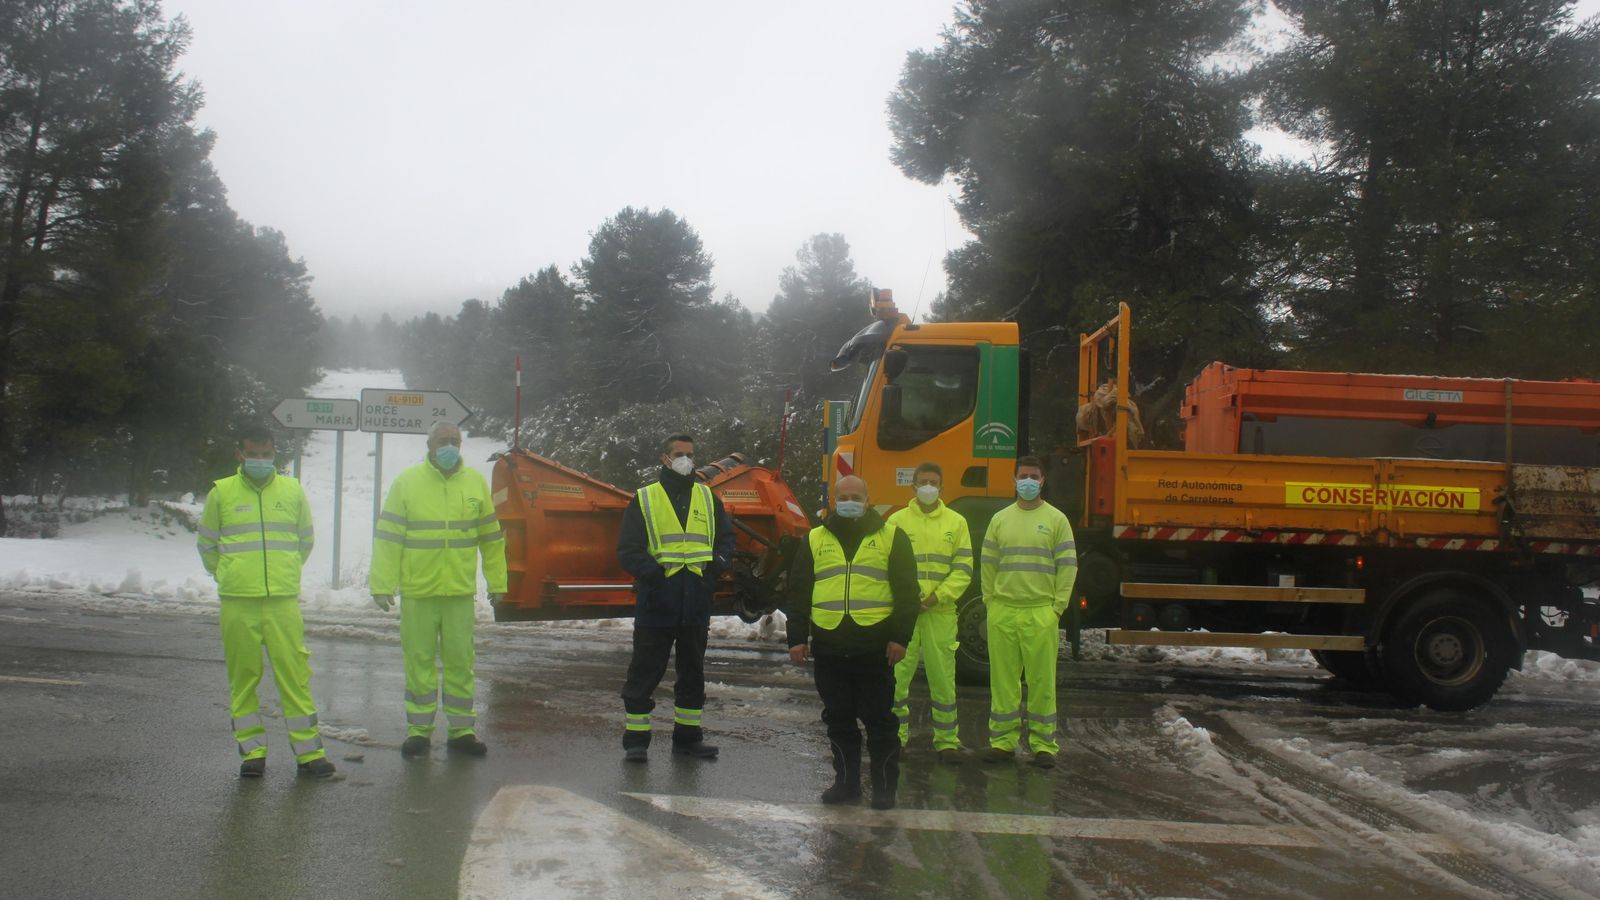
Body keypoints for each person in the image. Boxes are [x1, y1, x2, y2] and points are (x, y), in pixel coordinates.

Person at [197, 424, 334, 778]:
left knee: (295, 676)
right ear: (239, 455)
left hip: (282, 601)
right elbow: (207, 545)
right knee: (243, 678)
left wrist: (285, 570)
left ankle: (309, 754)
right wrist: (227, 573)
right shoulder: (221, 493)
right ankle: (252, 753)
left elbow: (305, 541)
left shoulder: (292, 491)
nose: (260, 460)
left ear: (274, 454)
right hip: (238, 601)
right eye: (253, 454)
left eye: (266, 454)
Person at [370, 421, 506, 759]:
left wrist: (497, 582)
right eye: (443, 440)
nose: (450, 446)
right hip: (419, 591)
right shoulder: (407, 483)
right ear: (429, 445)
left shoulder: (474, 482)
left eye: (455, 441)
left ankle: (461, 731)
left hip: (458, 592)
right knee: (419, 662)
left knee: (461, 662)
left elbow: (491, 540)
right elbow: (388, 538)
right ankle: (419, 732)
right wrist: (382, 584)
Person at [786, 474, 919, 809]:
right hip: (829, 647)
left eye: (856, 497)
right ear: (834, 500)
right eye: (843, 497)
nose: (849, 502)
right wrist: (797, 638)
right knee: (838, 720)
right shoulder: (814, 538)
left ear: (868, 500)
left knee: (880, 721)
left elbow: (907, 592)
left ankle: (884, 788)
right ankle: (846, 784)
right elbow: (799, 591)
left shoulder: (892, 537)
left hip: (874, 648)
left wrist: (900, 637)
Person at [616, 433, 735, 763]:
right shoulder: (645, 499)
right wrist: (654, 576)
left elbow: (726, 540)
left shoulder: (708, 498)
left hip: (695, 603)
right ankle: (636, 742)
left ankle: (688, 739)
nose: (686, 460)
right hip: (657, 603)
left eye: (690, 454)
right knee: (644, 674)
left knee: (692, 674)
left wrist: (716, 567)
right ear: (665, 458)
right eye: (679, 454)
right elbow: (628, 550)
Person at [980, 456, 1078, 769]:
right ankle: (1002, 743)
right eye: (1023, 476)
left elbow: (1068, 566)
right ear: (1013, 479)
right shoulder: (1000, 519)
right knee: (1003, 683)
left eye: (1034, 476)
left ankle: (1043, 746)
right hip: (1003, 611)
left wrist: (1057, 608)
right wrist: (990, 602)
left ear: (1043, 480)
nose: (1028, 481)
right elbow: (988, 565)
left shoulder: (1057, 520)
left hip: (1040, 612)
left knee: (1042, 682)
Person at [886, 462, 973, 762]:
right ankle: (895, 738)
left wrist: (937, 597)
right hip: (905, 614)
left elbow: (963, 569)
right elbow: (887, 566)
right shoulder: (896, 521)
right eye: (923, 481)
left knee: (943, 679)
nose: (928, 487)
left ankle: (947, 742)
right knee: (897, 678)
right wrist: (908, 600)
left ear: (942, 486)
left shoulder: (957, 523)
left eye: (933, 482)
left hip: (941, 612)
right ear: (913, 486)